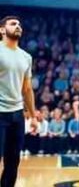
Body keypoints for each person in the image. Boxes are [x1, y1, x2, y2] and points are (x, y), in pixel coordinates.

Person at [0, 16, 35, 187]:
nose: (18, 26)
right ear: (1, 30)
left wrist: (34, 116)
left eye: (19, 24)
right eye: (13, 24)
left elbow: (27, 89)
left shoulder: (26, 57)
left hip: (17, 115)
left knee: (13, 162)